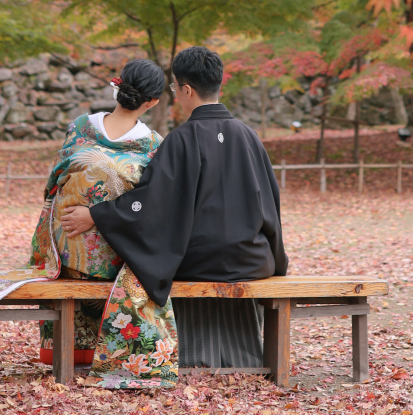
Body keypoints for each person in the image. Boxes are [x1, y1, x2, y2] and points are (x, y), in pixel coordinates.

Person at [0, 58, 179, 391]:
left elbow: (54, 181)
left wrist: (86, 209)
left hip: (66, 255)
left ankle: (75, 347)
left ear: (118, 88)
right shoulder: (152, 144)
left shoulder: (81, 126)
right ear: (151, 102)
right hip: (117, 257)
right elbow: (148, 205)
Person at [61, 45, 288, 370]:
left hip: (197, 262)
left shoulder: (181, 140)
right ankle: (244, 356)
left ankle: (188, 357)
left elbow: (149, 204)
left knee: (157, 263)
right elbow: (271, 202)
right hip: (254, 260)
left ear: (186, 89)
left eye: (175, 89)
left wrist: (96, 214)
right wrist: (275, 256)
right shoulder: (248, 136)